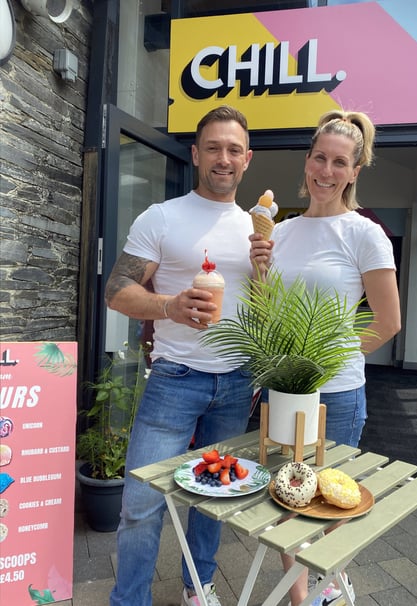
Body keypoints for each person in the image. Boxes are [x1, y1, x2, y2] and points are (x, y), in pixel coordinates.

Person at [250, 109, 401, 606]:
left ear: (354, 171)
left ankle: (328, 588)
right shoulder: (282, 231)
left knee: (329, 503)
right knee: (287, 502)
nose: (326, 171)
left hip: (335, 395)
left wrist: (325, 363)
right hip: (283, 391)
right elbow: (268, 312)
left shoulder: (364, 233)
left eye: (340, 162)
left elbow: (387, 322)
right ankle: (301, 598)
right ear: (307, 160)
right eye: (320, 157)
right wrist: (259, 270)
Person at [105, 105, 255, 606]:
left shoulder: (258, 231)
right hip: (175, 379)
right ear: (195, 154)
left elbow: (268, 306)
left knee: (215, 499)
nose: (223, 158)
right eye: (213, 148)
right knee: (141, 503)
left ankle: (198, 587)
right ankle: (130, 600)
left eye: (233, 149)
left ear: (247, 159)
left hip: (236, 382)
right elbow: (117, 291)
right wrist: (169, 305)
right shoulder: (162, 217)